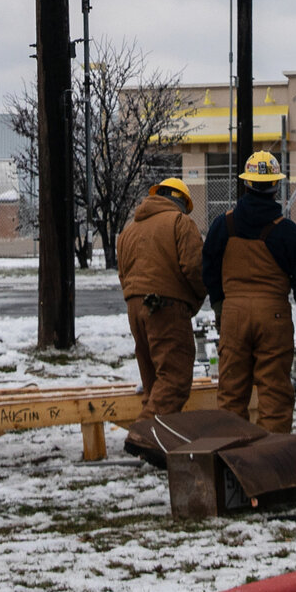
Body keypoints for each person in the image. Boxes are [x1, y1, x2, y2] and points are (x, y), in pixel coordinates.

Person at [203, 150, 296, 433]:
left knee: (231, 392)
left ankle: (232, 456)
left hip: (234, 315)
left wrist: (219, 307)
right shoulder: (287, 231)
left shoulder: (223, 225)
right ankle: (272, 459)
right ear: (276, 186)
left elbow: (209, 268)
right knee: (275, 392)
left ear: (246, 184)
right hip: (274, 315)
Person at [116, 176, 206, 417]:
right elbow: (195, 268)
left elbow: (123, 274)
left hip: (135, 309)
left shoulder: (129, 230)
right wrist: (195, 301)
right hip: (166, 308)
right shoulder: (180, 222)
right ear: (183, 203)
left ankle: (155, 444)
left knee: (153, 383)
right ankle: (144, 434)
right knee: (174, 379)